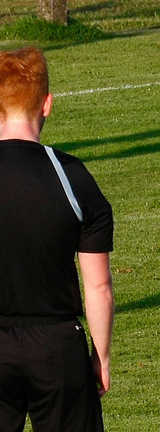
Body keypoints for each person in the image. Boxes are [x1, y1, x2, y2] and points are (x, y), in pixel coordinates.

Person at [0, 47, 114, 431]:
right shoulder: (73, 177)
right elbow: (98, 285)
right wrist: (101, 356)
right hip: (56, 347)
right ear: (46, 104)